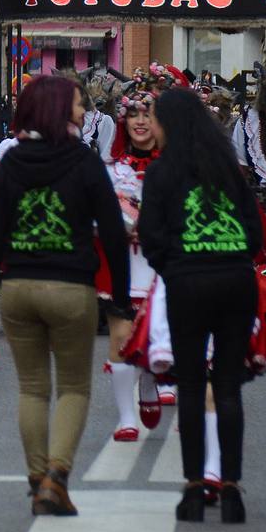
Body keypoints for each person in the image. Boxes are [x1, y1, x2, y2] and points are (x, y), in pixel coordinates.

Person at [0, 75, 130, 516]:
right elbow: (113, 232)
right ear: (60, 110)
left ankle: (36, 475)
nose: (83, 111)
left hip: (17, 288)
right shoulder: (84, 161)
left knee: (32, 388)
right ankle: (57, 477)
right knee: (74, 387)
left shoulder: (12, 162)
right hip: (71, 286)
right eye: (77, 104)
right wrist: (120, 300)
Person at [138, 87, 265, 524]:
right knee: (227, 387)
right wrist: (232, 257)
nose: (152, 127)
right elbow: (255, 234)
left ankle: (194, 488)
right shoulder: (228, 168)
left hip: (187, 282)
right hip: (236, 280)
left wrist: (174, 267)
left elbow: (151, 236)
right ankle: (231, 488)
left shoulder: (162, 172)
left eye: (155, 118)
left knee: (191, 386)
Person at [101, 90, 166, 442]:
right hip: (123, 263)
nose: (140, 121)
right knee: (122, 335)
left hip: (162, 265)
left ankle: (150, 383)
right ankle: (126, 418)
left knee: (155, 335)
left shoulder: (175, 167)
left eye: (147, 114)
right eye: (133, 115)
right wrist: (117, 222)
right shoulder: (112, 169)